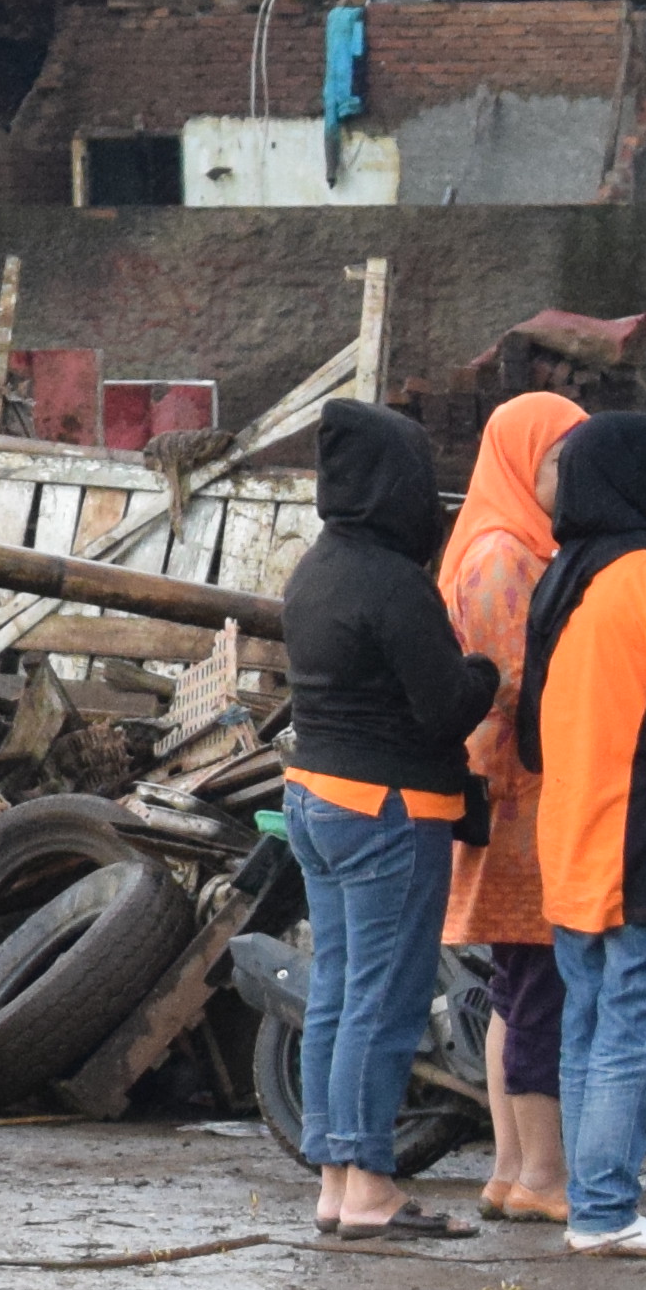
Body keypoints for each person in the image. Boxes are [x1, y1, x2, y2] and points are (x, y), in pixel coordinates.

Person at [284, 400, 501, 1244]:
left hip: (315, 798)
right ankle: (370, 1182)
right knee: (386, 999)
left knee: (337, 995)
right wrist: (487, 670)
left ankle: (339, 1178)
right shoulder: (393, 581)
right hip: (388, 814)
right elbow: (447, 707)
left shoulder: (318, 567)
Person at [521, 409, 646, 1260]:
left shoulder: (564, 575)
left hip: (573, 835)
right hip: (641, 842)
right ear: (626, 482)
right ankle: (608, 1210)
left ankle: (592, 1204)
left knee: (588, 1025)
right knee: (636, 1030)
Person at [445, 389, 589, 1225]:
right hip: (518, 801)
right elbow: (513, 685)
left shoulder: (513, 540)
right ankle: (544, 1176)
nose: (565, 477)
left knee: (514, 988)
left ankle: (508, 1171)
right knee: (538, 988)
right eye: (556, 459)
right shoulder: (504, 555)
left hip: (511, 795)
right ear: (519, 458)